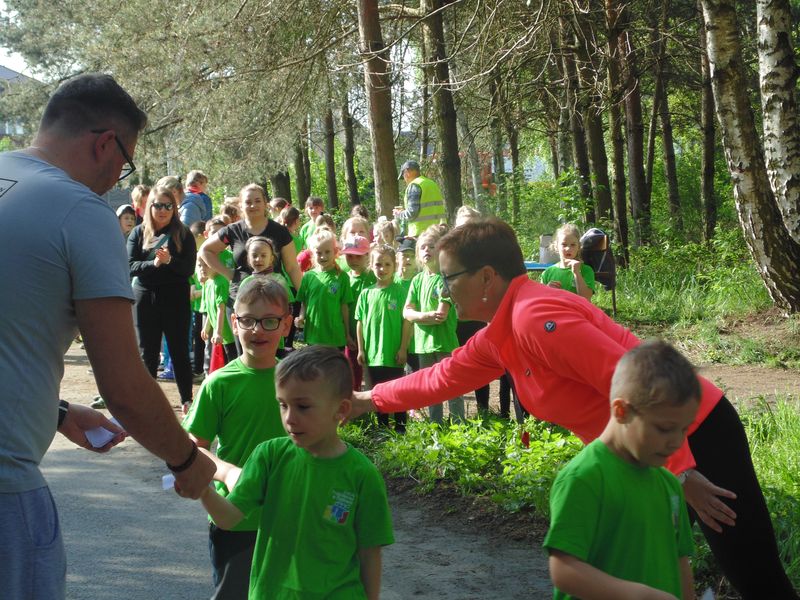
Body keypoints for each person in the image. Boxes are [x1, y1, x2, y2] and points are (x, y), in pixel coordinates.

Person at [350, 217, 798, 600]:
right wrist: (368, 400)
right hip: (649, 453)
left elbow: (633, 376)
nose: (442, 291)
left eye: (449, 278)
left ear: (486, 277)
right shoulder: (502, 332)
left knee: (756, 578)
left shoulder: (533, 320)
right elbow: (441, 377)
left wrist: (681, 470)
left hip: (692, 433)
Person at [0, 72, 213, 599]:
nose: (120, 173)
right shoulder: (80, 210)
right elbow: (121, 382)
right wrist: (186, 460)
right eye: (126, 160)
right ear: (104, 143)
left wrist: (57, 413)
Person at [196, 345, 394, 600]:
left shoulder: (362, 475)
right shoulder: (268, 456)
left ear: (341, 410)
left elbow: (370, 551)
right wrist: (202, 488)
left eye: (303, 407)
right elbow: (228, 518)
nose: (290, 418)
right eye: (283, 405)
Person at [545, 340, 697, 600]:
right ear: (621, 411)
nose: (676, 442)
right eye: (664, 428)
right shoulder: (585, 477)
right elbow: (563, 570)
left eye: (684, 429)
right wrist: (635, 595)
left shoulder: (669, 484)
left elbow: (680, 561)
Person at [183, 277, 292, 600]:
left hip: (290, 514)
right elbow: (194, 448)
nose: (257, 330)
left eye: (269, 321)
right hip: (234, 517)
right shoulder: (219, 383)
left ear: (286, 324)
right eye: (247, 321)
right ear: (234, 322)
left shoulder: (298, 381)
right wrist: (228, 472)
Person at [128, 185, 198, 413]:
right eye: (158, 205)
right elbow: (129, 266)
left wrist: (170, 261)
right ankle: (148, 402)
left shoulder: (183, 233)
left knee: (179, 350)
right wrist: (153, 264)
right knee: (146, 352)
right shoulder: (139, 233)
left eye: (168, 206)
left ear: (174, 208)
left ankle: (186, 399)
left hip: (175, 298)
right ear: (150, 207)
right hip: (146, 297)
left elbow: (188, 269)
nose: (163, 210)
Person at [199, 183, 302, 315]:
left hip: (274, 298)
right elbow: (205, 250)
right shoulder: (232, 230)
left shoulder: (280, 231)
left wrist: (304, 296)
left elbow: (292, 267)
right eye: (248, 202)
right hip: (241, 299)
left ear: (265, 204)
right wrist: (228, 273)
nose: (253, 205)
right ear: (241, 206)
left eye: (258, 201)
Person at [403, 225, 464, 423]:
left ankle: (458, 426)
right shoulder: (417, 281)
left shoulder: (445, 280)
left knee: (451, 385)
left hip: (444, 343)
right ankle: (435, 425)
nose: (427, 250)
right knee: (430, 388)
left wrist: (418, 316)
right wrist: (425, 315)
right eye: (423, 247)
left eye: (432, 246)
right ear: (418, 255)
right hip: (422, 344)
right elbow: (406, 311)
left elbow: (441, 315)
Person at [356, 245, 412, 431]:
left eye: (387, 264)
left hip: (394, 353)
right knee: (378, 392)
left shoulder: (401, 292)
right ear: (371, 266)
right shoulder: (366, 293)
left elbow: (407, 323)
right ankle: (382, 428)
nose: (383, 268)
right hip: (373, 354)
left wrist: (403, 348)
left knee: (397, 391)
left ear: (395, 266)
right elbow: (360, 323)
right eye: (378, 264)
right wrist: (362, 349)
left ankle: (401, 427)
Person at [295, 229, 353, 350]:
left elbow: (344, 307)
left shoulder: (342, 277)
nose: (323, 256)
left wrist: (347, 334)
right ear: (313, 254)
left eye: (327, 252)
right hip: (313, 335)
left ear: (335, 251)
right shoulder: (308, 276)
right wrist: (301, 317)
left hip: (335, 337)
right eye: (319, 252)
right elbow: (304, 303)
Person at [342, 234, 376, 390]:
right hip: (350, 334)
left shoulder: (374, 277)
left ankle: (372, 404)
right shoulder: (344, 279)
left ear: (367, 255)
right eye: (349, 256)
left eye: (358, 256)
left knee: (371, 371)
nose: (353, 260)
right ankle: (354, 403)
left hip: (371, 333)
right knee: (351, 370)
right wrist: (346, 334)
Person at [541, 223, 596, 301]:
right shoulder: (547, 273)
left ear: (579, 246)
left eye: (573, 245)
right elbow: (541, 301)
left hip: (577, 311)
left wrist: (577, 273)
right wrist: (548, 290)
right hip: (555, 311)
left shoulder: (586, 270)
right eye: (564, 244)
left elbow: (586, 298)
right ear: (556, 246)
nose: (568, 249)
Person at [394, 160, 447, 239]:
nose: (405, 180)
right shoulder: (431, 183)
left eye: (403, 176)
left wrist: (399, 214)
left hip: (420, 234)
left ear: (407, 172)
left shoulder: (414, 185)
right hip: (438, 232)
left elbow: (412, 213)